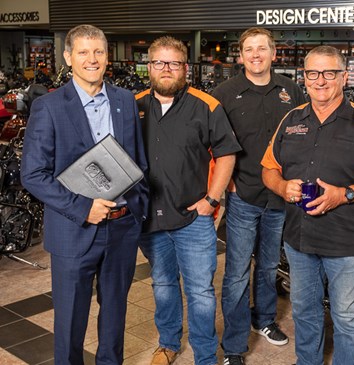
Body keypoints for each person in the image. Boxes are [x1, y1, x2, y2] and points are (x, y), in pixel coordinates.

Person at [261, 45, 354, 365]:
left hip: (347, 242)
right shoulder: (292, 119)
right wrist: (282, 186)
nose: (320, 81)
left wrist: (344, 194)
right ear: (305, 78)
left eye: (329, 73)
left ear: (344, 77)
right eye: (313, 73)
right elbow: (269, 168)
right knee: (305, 313)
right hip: (300, 240)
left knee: (348, 320)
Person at [21, 24, 149, 365]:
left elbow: (138, 160)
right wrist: (82, 208)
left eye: (98, 52)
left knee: (114, 316)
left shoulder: (124, 99)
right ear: (68, 57)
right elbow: (32, 174)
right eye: (83, 52)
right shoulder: (49, 106)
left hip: (122, 228)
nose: (91, 59)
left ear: (107, 56)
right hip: (73, 229)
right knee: (70, 322)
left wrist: (140, 206)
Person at [136, 36, 241, 365]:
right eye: (159, 63)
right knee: (163, 285)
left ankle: (206, 356)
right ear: (149, 67)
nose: (166, 69)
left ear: (185, 68)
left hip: (193, 218)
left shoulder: (206, 105)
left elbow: (226, 155)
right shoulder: (133, 105)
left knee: (200, 293)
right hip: (149, 219)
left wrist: (211, 199)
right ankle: (168, 344)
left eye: (174, 63)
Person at [211, 27, 306, 365]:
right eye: (249, 49)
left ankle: (263, 319)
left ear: (273, 53)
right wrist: (225, 185)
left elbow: (303, 138)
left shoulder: (292, 91)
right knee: (236, 271)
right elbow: (212, 144)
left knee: (267, 266)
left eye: (262, 49)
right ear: (240, 56)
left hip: (280, 197)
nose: (255, 55)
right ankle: (234, 346)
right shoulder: (224, 93)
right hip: (243, 195)